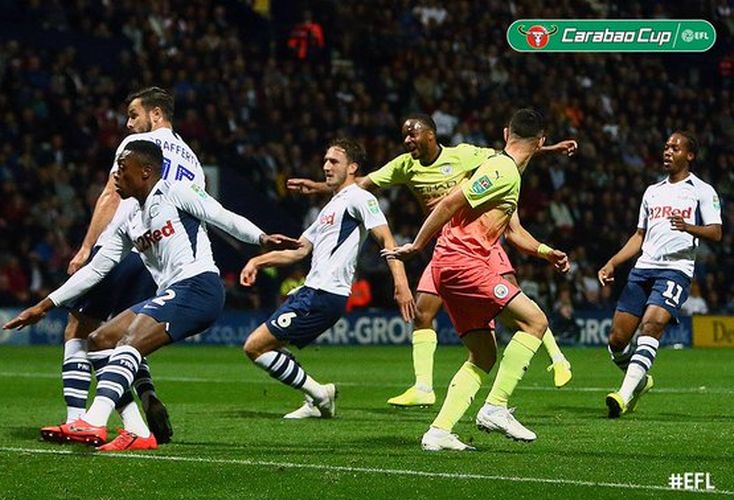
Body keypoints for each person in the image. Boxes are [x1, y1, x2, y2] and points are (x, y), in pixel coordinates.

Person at [3, 140, 300, 450]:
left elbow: (221, 216)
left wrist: (261, 237)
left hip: (199, 287)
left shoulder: (176, 191)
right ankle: (137, 431)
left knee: (129, 342)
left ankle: (93, 420)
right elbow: (95, 270)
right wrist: (45, 304)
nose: (115, 174)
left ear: (145, 171)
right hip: (174, 292)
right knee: (100, 340)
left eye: (122, 167)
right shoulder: (128, 217)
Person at [288, 114, 575, 408]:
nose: (408, 139)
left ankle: (556, 357)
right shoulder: (404, 166)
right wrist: (319, 187)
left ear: (431, 134)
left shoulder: (463, 154)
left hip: (479, 244)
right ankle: (424, 387)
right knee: (423, 311)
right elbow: (359, 184)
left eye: (413, 134)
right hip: (447, 248)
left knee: (516, 304)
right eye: (405, 135)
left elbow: (511, 153)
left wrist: (548, 149)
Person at [384, 109, 559, 450]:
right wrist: (418, 245)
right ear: (541, 142)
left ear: (506, 132)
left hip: (454, 267)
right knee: (535, 321)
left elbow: (515, 231)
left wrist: (545, 252)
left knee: (483, 355)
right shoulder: (501, 169)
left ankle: (439, 432)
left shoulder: (508, 174)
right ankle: (494, 407)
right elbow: (451, 201)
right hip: (463, 263)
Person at [57, 87, 203, 445]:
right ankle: (144, 395)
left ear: (155, 115)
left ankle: (78, 419)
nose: (128, 123)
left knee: (79, 329)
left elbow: (110, 195)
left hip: (123, 248)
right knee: (125, 337)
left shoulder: (135, 149)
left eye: (133, 115)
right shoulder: (194, 162)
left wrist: (87, 247)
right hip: (159, 261)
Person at [240, 138, 415, 419]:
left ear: (352, 168)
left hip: (325, 295)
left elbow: (386, 237)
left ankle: (319, 394)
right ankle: (316, 396)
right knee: (263, 347)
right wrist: (257, 261)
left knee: (255, 346)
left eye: (334, 161)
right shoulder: (330, 208)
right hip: (310, 292)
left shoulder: (360, 197)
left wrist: (401, 282)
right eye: (325, 161)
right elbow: (299, 251)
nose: (326, 166)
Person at [598, 131, 722, 418]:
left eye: (675, 148)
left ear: (689, 156)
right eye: (666, 146)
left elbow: (716, 232)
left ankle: (623, 395)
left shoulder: (702, 190)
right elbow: (639, 235)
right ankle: (640, 380)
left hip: (675, 270)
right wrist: (613, 262)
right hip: (643, 269)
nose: (667, 151)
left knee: (652, 326)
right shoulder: (652, 191)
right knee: (617, 340)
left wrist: (689, 227)